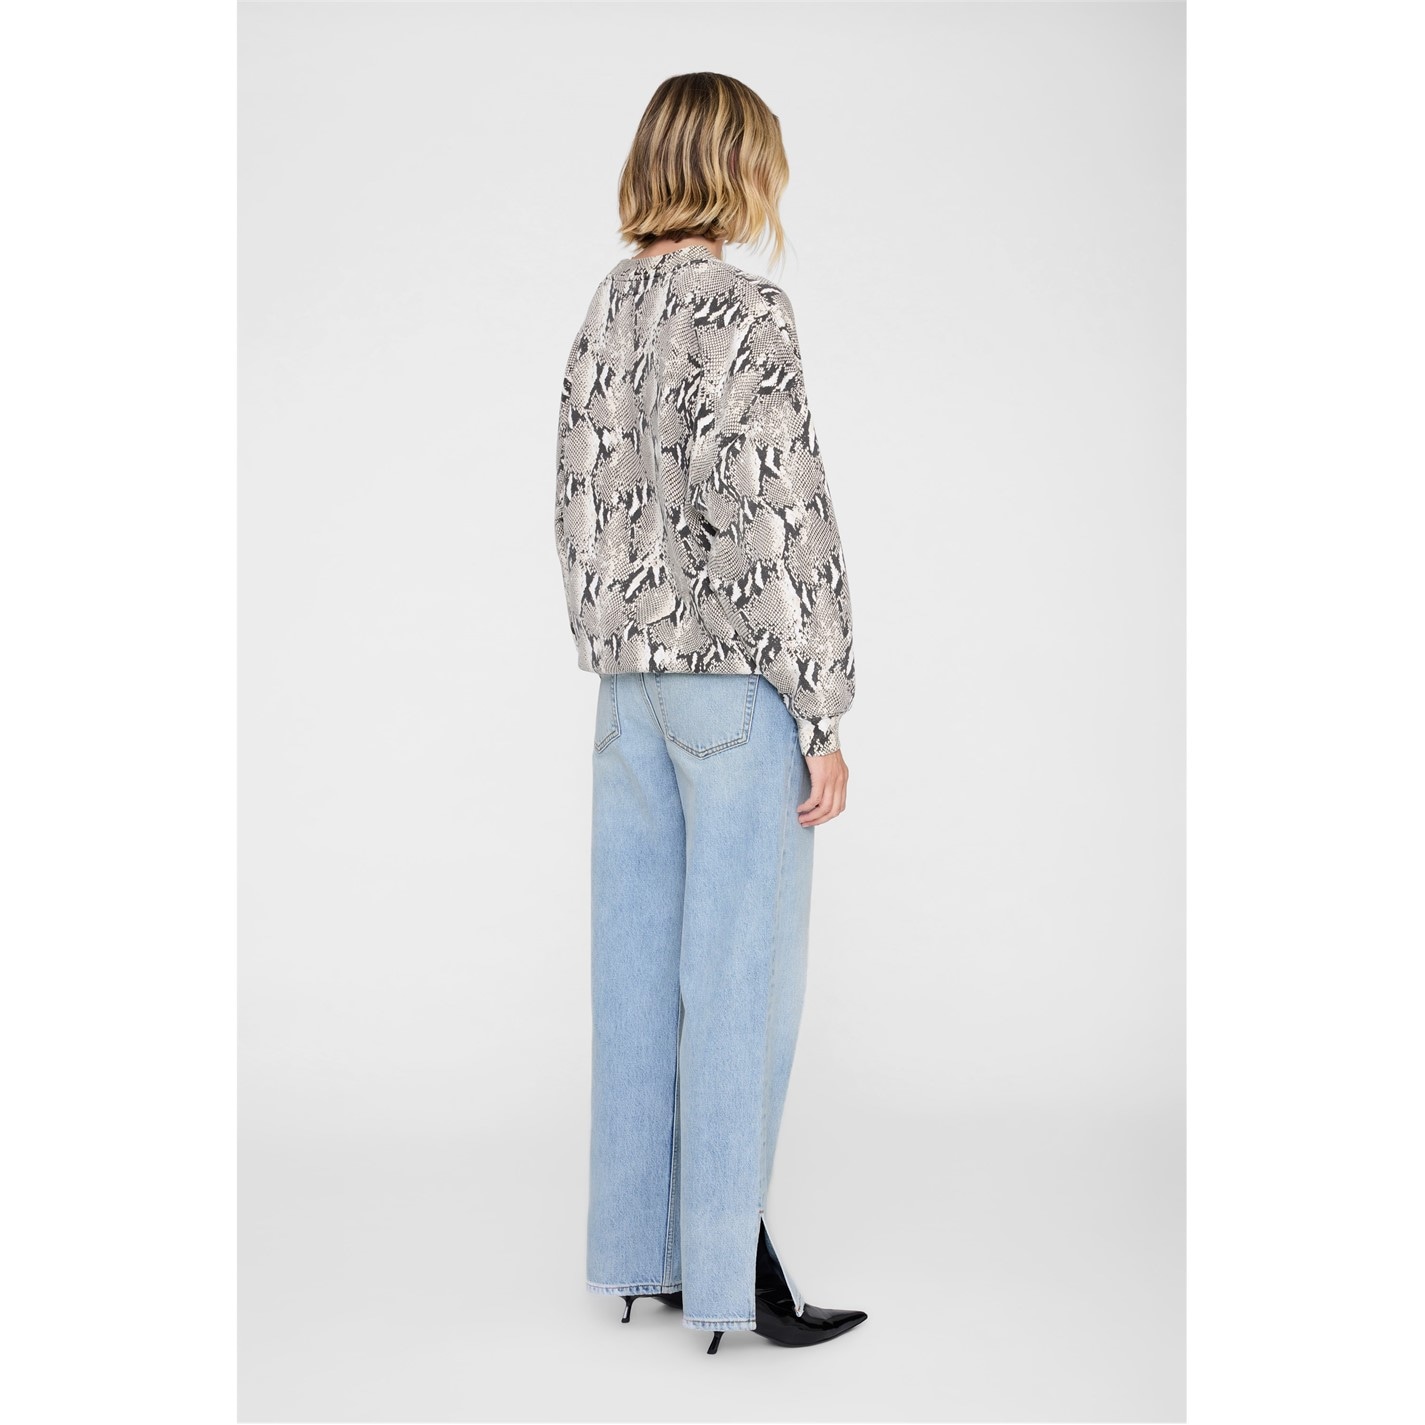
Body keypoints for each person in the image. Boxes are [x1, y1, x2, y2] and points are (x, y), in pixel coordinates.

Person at [552, 71, 866, 1356]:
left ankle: (641, 1259)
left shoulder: (607, 306)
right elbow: (785, 510)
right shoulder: (747, 310)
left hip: (627, 691)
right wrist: (823, 708)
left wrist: (612, 642)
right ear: (740, 169)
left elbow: (575, 494)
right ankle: (734, 1279)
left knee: (635, 977)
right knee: (738, 982)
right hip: (733, 693)